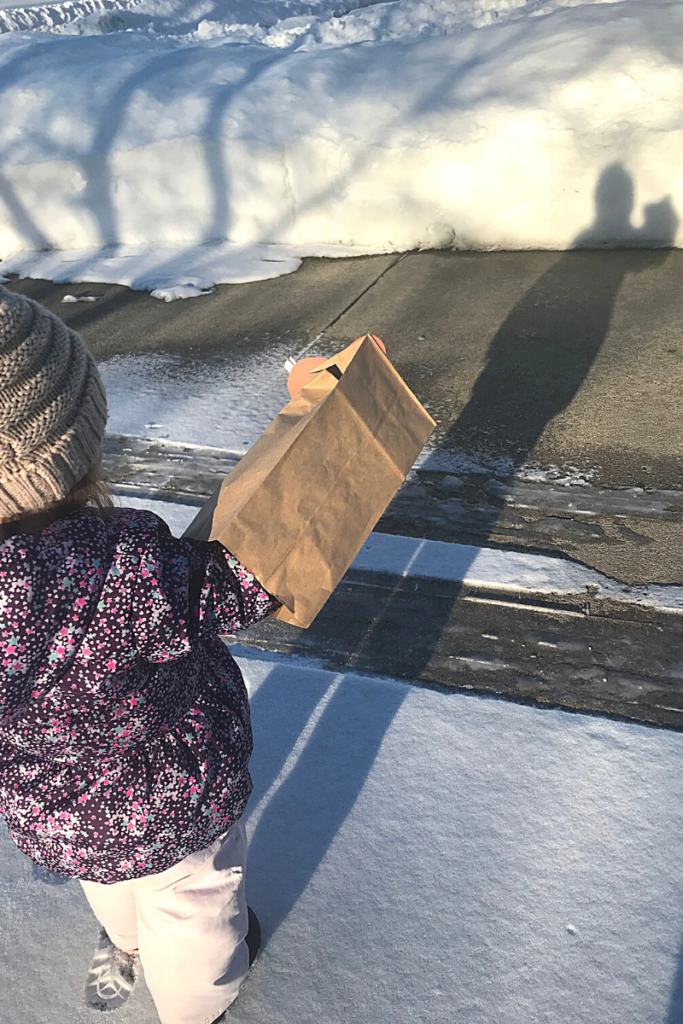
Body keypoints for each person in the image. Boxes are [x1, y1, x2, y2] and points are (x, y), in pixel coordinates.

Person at [0, 284, 278, 1024]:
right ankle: (197, 1008)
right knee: (196, 916)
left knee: (108, 876)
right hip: (173, 798)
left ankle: (123, 942)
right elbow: (238, 587)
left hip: (55, 807)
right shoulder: (119, 561)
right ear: (71, 450)